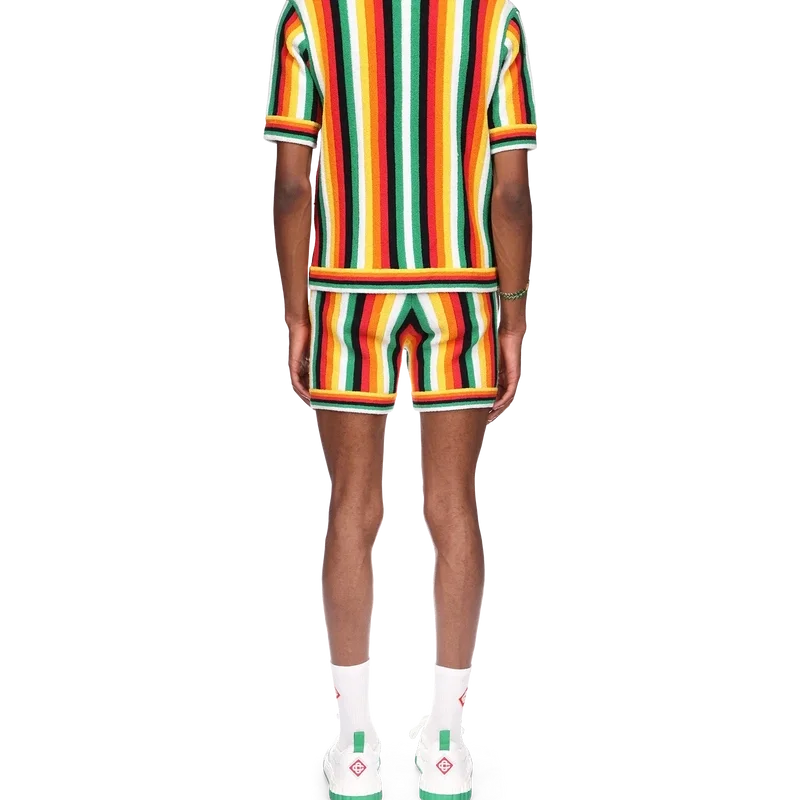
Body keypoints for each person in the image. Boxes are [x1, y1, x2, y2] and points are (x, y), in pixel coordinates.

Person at [264, 2, 537, 797]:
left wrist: (295, 311)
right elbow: (511, 193)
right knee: (454, 505)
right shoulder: (493, 21)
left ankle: (354, 741)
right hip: (461, 289)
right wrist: (513, 314)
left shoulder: (312, 19)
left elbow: (292, 185)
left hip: (349, 289)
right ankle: (447, 738)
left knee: (352, 506)